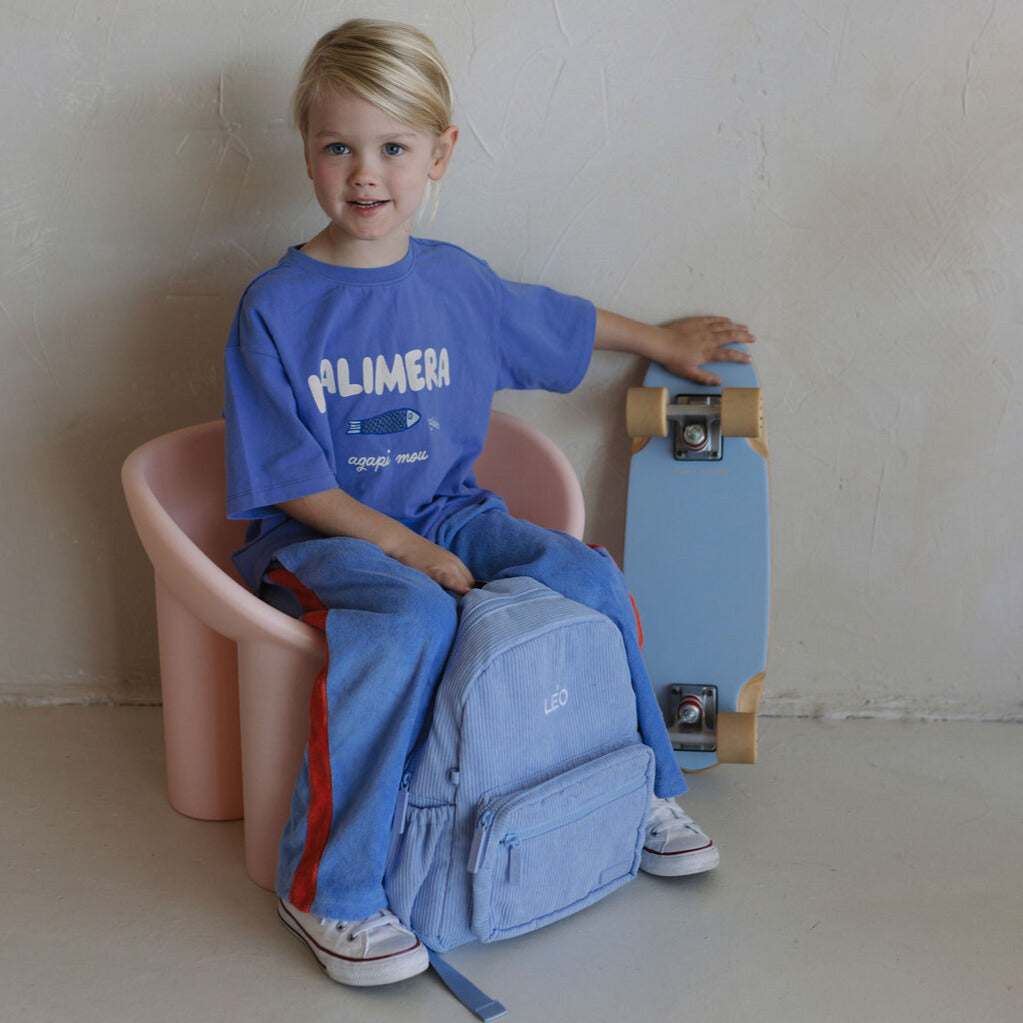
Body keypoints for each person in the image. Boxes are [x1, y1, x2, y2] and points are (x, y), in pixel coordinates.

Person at [224, 18, 755, 988]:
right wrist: (404, 550)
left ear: (440, 154)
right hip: (318, 537)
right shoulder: (274, 305)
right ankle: (329, 888)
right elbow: (292, 482)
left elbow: (556, 322)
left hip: (450, 511)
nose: (365, 174)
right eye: (339, 147)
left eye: (393, 148)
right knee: (413, 618)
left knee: (586, 575)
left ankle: (641, 789)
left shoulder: (456, 283)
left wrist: (663, 341)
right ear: (306, 150)